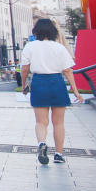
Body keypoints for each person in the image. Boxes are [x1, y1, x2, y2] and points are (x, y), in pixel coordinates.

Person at [20, 18, 83, 165]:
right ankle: (59, 154)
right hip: (57, 83)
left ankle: (41, 143)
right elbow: (67, 70)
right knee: (58, 122)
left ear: (36, 31)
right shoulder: (59, 47)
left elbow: (24, 69)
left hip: (39, 82)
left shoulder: (30, 46)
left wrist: (24, 85)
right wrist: (75, 90)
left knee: (41, 122)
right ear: (53, 31)